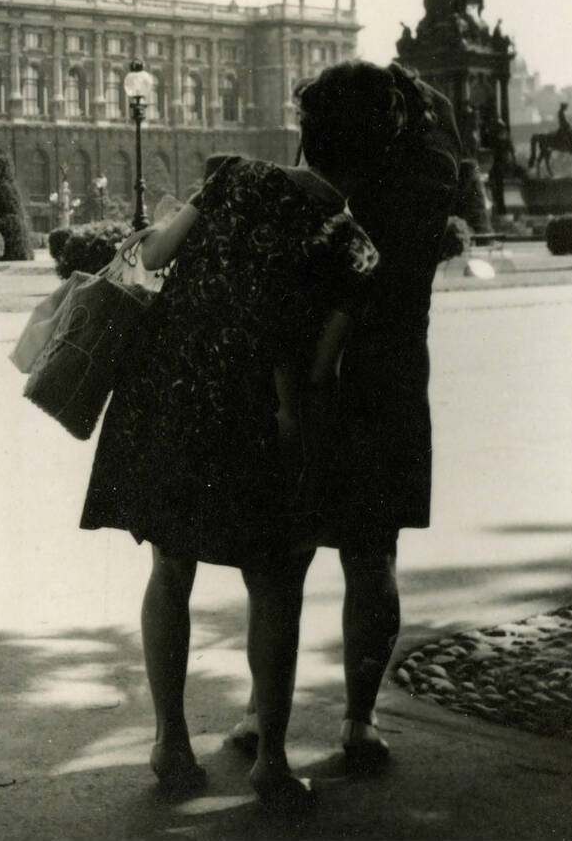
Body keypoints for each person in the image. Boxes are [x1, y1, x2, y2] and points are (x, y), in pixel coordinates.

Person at [81, 61, 405, 813]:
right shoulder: (356, 248)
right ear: (373, 156)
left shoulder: (231, 177)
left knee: (171, 569)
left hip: (170, 393)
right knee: (276, 585)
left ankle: (169, 742)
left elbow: (152, 257)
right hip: (261, 414)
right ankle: (272, 764)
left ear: (306, 132)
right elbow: (318, 369)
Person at [230, 61, 460, 771]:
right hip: (391, 378)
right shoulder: (428, 180)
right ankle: (360, 722)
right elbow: (442, 135)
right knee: (372, 555)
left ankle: (259, 713)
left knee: (282, 559)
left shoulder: (319, 192)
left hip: (303, 380)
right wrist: (406, 91)